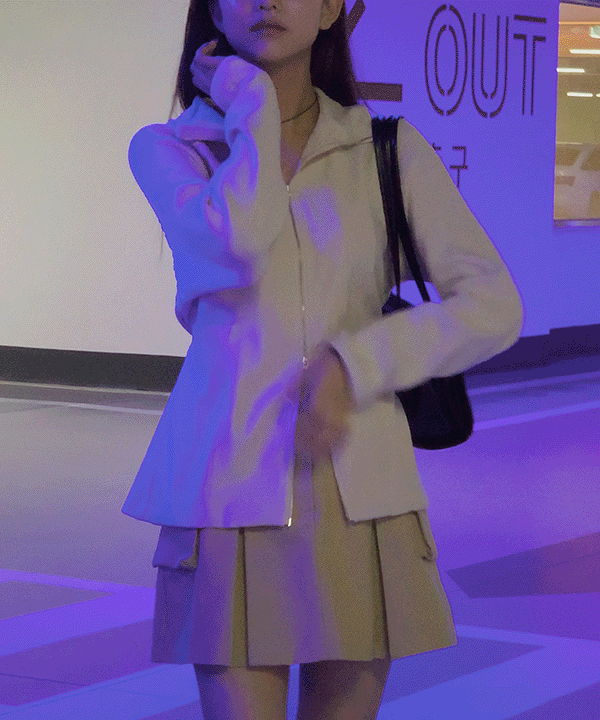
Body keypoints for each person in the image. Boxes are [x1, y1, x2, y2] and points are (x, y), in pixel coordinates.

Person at [121, 0, 524, 717]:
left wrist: (357, 361)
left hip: (359, 486)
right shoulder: (169, 148)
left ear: (335, 6)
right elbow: (239, 245)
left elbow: (493, 303)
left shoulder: (383, 148)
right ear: (214, 9)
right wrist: (250, 103)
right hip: (226, 488)